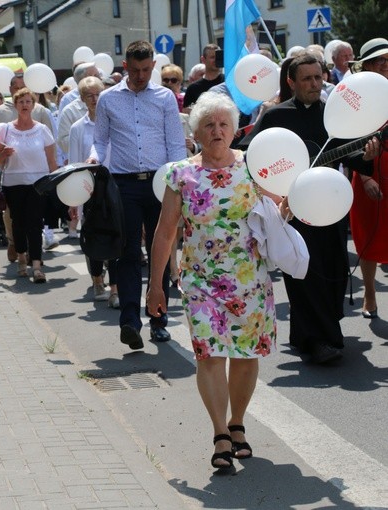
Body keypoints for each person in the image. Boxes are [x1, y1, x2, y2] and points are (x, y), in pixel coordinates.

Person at [146, 91, 280, 470]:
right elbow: (165, 232)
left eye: (223, 124)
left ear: (234, 130)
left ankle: (238, 422)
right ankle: (220, 433)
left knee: (246, 356)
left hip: (250, 279)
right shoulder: (180, 173)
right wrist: (156, 284)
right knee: (210, 353)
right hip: (201, 280)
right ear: (197, 133)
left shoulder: (254, 166)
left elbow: (276, 210)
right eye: (209, 125)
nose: (217, 130)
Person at [242, 53, 378, 363]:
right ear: (291, 82)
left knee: (334, 271)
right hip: (292, 209)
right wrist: (274, 191)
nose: (315, 84)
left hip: (329, 205)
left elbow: (351, 158)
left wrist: (367, 155)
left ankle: (306, 334)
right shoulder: (275, 117)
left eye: (318, 78)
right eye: (307, 79)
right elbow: (249, 156)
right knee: (306, 272)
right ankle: (322, 340)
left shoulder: (334, 115)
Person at [87, 40, 187, 349]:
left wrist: (180, 181)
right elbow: (100, 141)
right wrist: (94, 158)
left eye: (147, 70)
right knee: (128, 251)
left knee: (160, 249)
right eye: (136, 70)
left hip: (161, 182)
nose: (142, 76)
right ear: (125, 66)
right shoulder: (107, 99)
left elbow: (176, 143)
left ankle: (158, 320)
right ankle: (130, 321)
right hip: (123, 183)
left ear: (153, 67)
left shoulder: (165, 98)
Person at [0, 87, 58, 283]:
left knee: (35, 224)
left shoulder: (42, 129)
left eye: (28, 102)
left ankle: (36, 265)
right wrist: (4, 154)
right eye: (21, 102)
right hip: (13, 183)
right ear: (15, 105)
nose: (25, 105)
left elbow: (51, 160)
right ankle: (21, 258)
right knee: (18, 223)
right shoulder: (6, 129)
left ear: (34, 105)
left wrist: (55, 184)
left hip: (37, 183)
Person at [68, 76, 118, 306]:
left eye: (98, 94)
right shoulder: (78, 128)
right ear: (82, 99)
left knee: (118, 234)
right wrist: (73, 201)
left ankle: (116, 287)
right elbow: (74, 162)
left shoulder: (116, 122)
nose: (95, 99)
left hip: (115, 185)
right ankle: (97, 278)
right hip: (89, 189)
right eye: (89, 95)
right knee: (94, 233)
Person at [349, 38, 388, 318]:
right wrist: (364, 178)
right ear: (366, 65)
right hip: (367, 170)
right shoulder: (354, 98)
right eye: (379, 60)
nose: (386, 65)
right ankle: (370, 293)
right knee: (367, 234)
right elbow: (347, 142)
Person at [183, 44, 224, 111]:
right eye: (212, 57)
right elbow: (186, 111)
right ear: (203, 59)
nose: (216, 60)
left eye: (218, 57)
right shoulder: (193, 88)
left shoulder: (228, 82)